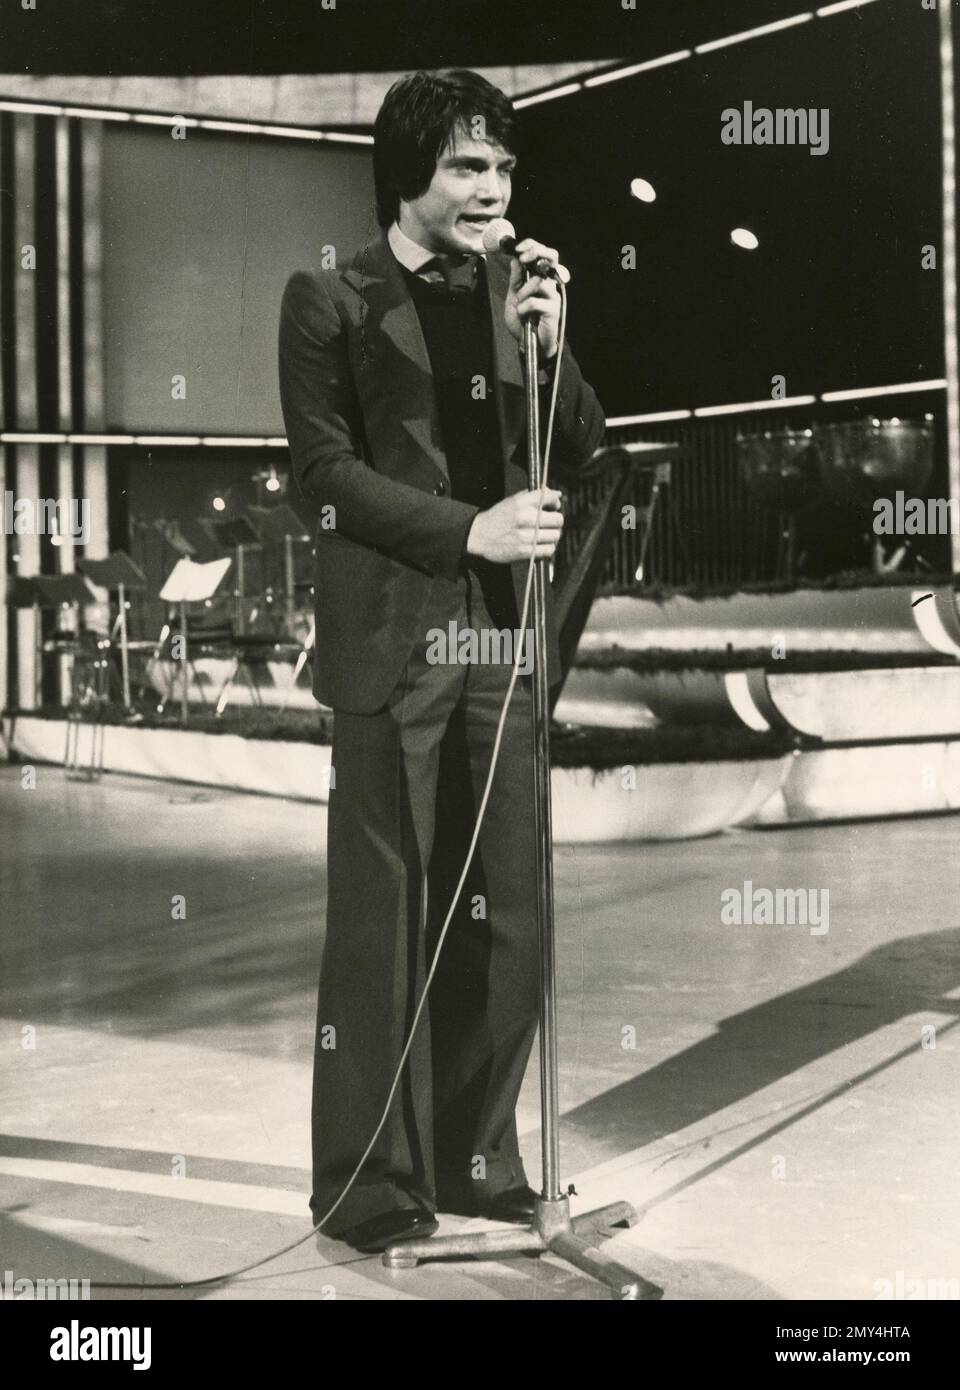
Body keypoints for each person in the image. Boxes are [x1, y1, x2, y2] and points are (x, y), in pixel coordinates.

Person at [277, 68, 605, 1254]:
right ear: (407, 172)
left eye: (504, 168)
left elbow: (580, 445)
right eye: (470, 166)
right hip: (393, 646)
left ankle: (477, 1160)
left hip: (498, 643)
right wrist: (464, 527)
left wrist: (552, 342)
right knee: (388, 917)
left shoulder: (515, 295)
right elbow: (323, 475)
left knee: (506, 913)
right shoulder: (330, 297)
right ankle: (369, 1186)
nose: (494, 188)